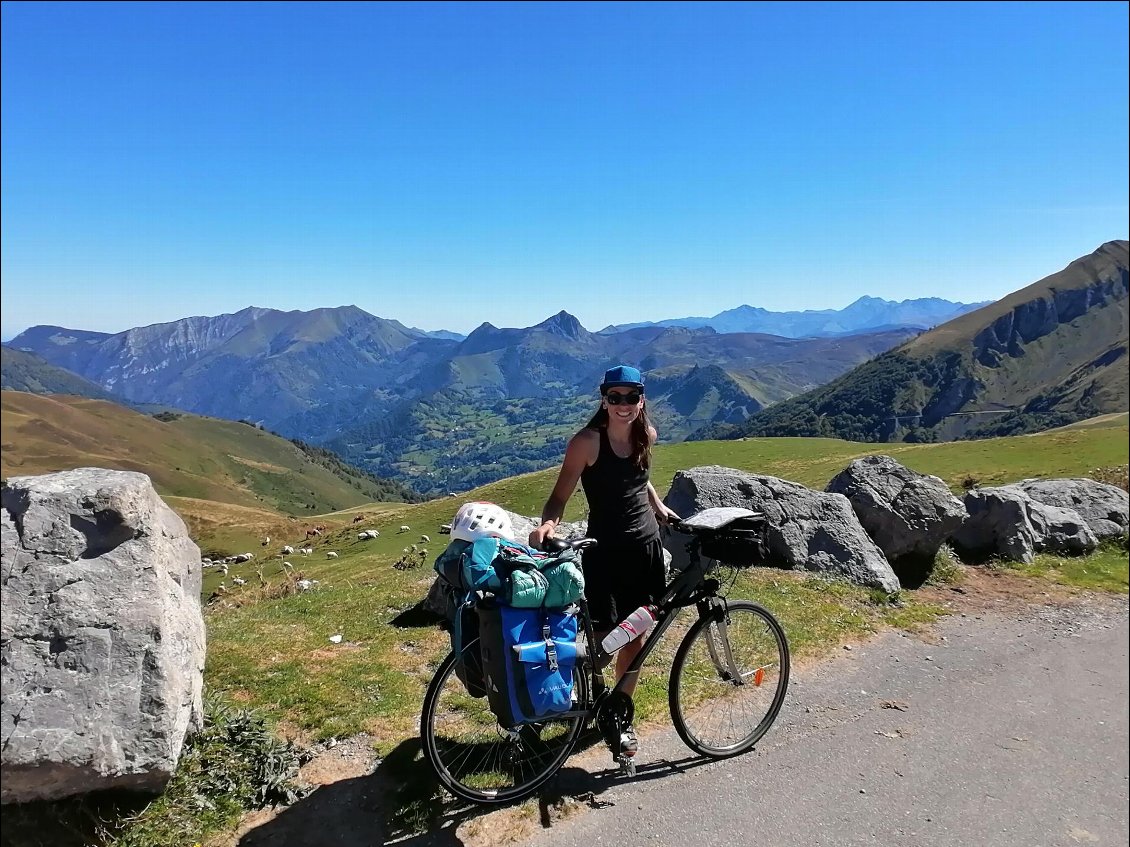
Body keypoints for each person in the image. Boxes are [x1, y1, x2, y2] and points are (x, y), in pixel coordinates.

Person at [529, 364, 679, 758]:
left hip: (645, 550)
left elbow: (638, 477)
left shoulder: (647, 434)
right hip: (606, 554)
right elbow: (560, 494)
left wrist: (660, 507)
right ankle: (572, 699)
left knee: (637, 636)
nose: (623, 405)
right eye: (616, 397)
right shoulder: (586, 443)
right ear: (604, 399)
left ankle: (618, 714)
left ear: (641, 399)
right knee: (603, 642)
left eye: (631, 397)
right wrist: (547, 523)